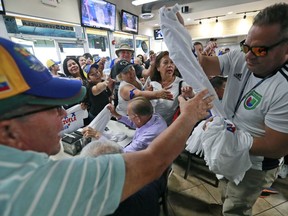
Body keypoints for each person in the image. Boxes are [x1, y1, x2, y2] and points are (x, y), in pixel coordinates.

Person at [0, 37, 214, 215]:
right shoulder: (37, 186)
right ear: (8, 130)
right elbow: (154, 162)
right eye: (52, 108)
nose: (63, 113)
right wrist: (189, 115)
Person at [197, 3, 288, 215]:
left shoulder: (283, 88)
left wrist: (227, 138)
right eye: (246, 46)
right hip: (230, 148)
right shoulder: (241, 56)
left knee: (236, 207)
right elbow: (206, 65)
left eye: (260, 50)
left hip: (254, 165)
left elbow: (276, 147)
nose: (249, 55)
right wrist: (181, 39)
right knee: (225, 190)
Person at [82, 97, 168, 215]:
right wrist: (117, 115)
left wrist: (98, 135)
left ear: (137, 117)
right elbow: (135, 123)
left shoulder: (149, 134)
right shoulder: (153, 117)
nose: (130, 118)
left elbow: (121, 153)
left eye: (130, 115)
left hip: (148, 168)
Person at [151, 51, 194, 125]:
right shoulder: (152, 84)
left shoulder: (181, 84)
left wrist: (190, 94)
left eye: (172, 62)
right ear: (158, 67)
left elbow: (195, 99)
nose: (169, 65)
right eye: (165, 62)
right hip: (150, 126)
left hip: (168, 128)